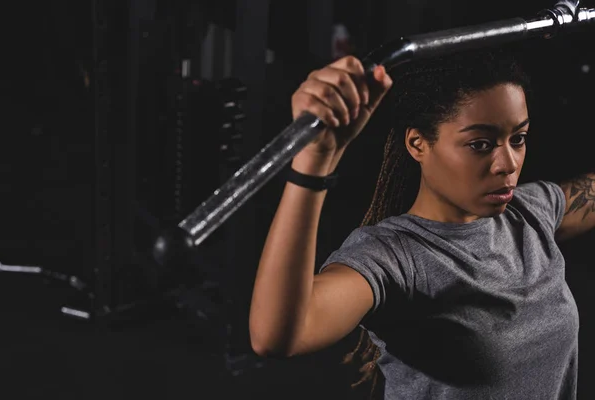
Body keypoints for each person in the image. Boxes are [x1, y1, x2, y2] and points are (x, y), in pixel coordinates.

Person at [248, 46, 594, 399]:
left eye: (517, 139)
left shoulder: (530, 212)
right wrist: (313, 164)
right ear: (418, 144)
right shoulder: (398, 257)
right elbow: (277, 335)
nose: (507, 163)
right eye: (480, 144)